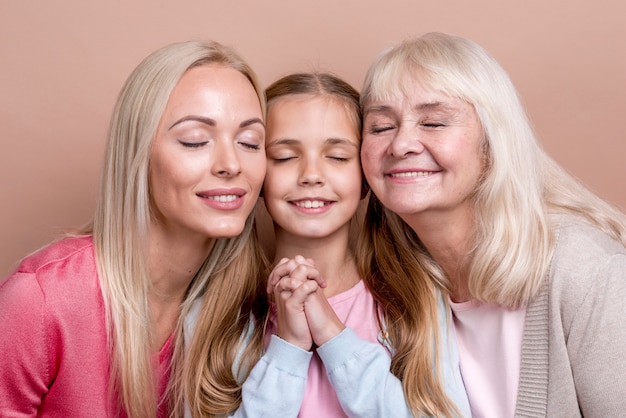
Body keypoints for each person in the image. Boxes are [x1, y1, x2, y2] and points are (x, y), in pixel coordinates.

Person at [358, 31, 626, 417]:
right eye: (381, 127)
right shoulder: (394, 284)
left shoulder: (587, 272)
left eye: (433, 123)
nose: (401, 145)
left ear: (492, 143)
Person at [0, 40, 268, 418]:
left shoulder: (246, 308)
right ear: (137, 154)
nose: (231, 164)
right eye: (195, 141)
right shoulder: (39, 301)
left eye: (249, 142)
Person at [237, 72, 469, 417]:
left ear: (365, 178)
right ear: (256, 175)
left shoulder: (414, 298)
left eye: (338, 157)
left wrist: (334, 337)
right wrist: (287, 348)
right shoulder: (222, 311)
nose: (311, 175)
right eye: (285, 157)